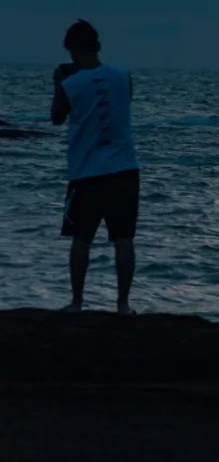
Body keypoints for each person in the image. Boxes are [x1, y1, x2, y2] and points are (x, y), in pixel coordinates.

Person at [50, 21, 139, 316]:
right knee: (123, 238)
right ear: (97, 46)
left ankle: (77, 302)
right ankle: (123, 305)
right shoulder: (122, 75)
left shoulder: (69, 83)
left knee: (81, 239)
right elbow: (126, 99)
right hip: (125, 169)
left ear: (72, 49)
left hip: (86, 172)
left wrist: (58, 83)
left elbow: (56, 117)